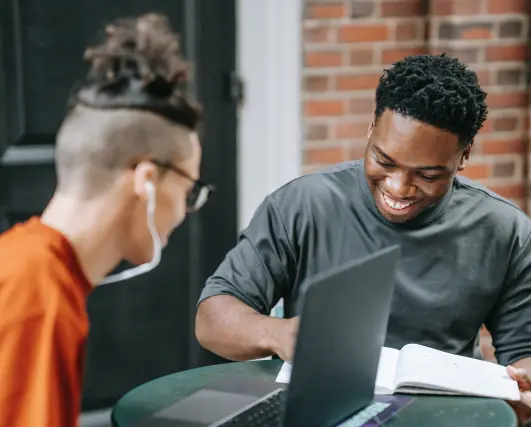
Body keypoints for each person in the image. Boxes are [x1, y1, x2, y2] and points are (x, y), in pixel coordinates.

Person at [195, 54, 531, 409]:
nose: (399, 188)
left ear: (463, 157)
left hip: (446, 415)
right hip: (325, 410)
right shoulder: (301, 205)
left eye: (427, 175)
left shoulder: (505, 230)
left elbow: (523, 353)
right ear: (372, 127)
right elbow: (212, 318)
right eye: (384, 162)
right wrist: (279, 334)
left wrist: (524, 386)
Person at [0, 13, 211, 427]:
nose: (185, 211)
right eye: (188, 190)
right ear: (146, 180)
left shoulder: (33, 265)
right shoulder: (37, 294)